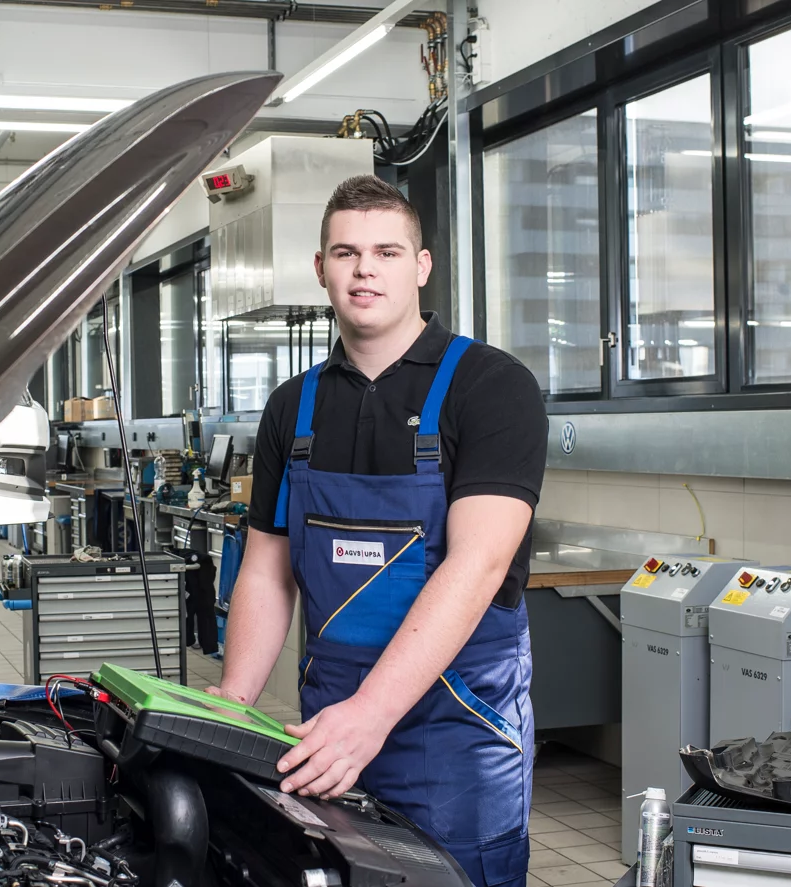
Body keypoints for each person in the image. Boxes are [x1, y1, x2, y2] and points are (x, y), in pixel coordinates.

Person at [207, 175, 547, 887]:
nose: (365, 269)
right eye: (347, 252)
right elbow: (266, 570)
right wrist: (232, 703)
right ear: (321, 268)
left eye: (387, 252)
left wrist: (372, 713)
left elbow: (478, 565)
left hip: (458, 724)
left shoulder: (491, 386)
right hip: (329, 722)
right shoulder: (291, 407)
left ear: (421, 266)